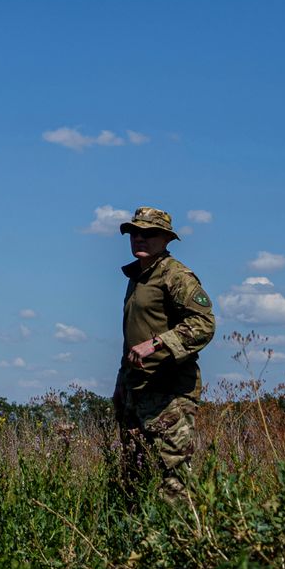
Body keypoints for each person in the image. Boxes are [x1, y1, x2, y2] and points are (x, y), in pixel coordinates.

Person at [113, 207, 216, 500]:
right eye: (134, 233)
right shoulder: (138, 277)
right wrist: (121, 383)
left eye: (149, 233)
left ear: (166, 239)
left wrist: (158, 343)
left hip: (169, 393)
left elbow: (204, 323)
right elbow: (134, 336)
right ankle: (139, 539)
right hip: (137, 391)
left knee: (175, 475)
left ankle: (181, 540)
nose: (139, 238)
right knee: (135, 476)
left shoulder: (176, 275)